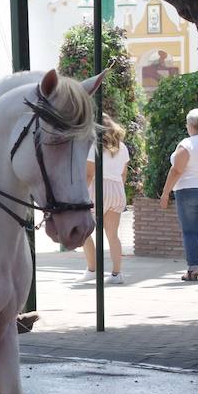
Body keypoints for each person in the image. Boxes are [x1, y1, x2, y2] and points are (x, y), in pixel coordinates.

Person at [159, 108, 198, 281]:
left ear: (190, 125)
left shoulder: (187, 144)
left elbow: (177, 169)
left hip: (187, 191)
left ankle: (192, 270)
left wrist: (165, 193)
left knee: (189, 232)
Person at [78, 115, 130, 284]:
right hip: (117, 188)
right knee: (112, 235)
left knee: (84, 230)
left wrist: (81, 193)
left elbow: (89, 173)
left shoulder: (94, 145)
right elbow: (124, 173)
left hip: (97, 187)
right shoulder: (122, 147)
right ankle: (117, 274)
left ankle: (92, 269)